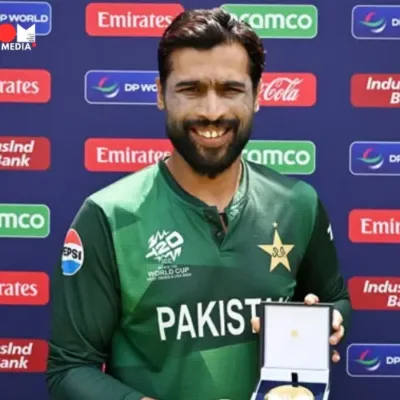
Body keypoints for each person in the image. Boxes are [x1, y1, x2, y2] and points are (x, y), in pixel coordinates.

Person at [46, 7, 351, 400]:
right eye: (191, 89)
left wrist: (331, 320)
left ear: (257, 96)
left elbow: (335, 298)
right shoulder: (108, 216)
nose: (212, 112)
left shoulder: (298, 204)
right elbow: (70, 368)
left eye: (230, 89)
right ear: (160, 94)